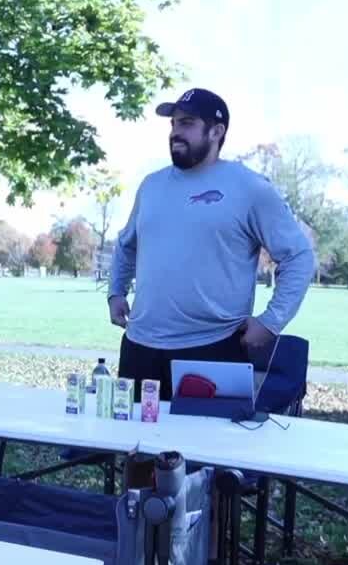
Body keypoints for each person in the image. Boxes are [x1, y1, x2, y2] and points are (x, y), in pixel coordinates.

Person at [107, 88, 315, 402]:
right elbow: (126, 245)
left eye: (187, 123)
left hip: (213, 349)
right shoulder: (151, 185)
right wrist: (115, 292)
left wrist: (271, 321)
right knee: (137, 448)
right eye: (174, 124)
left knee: (207, 449)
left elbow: (298, 257)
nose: (176, 132)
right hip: (140, 347)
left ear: (217, 131)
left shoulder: (250, 188)